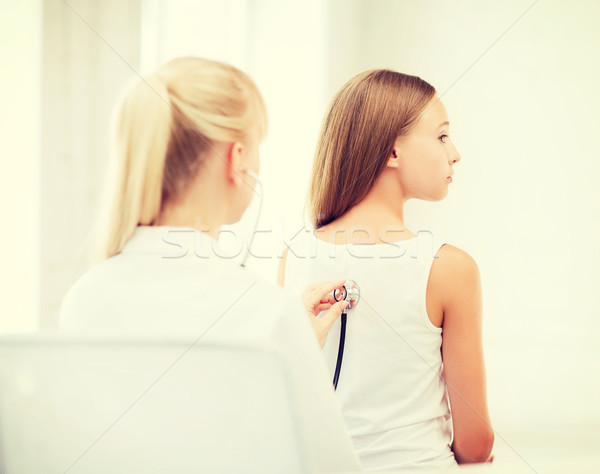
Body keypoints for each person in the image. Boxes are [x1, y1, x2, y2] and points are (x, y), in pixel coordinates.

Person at [58, 56, 359, 472]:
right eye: (259, 146)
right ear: (237, 160)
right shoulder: (267, 311)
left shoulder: (83, 297)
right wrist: (291, 346)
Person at [278, 69, 494, 471]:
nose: (455, 153)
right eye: (442, 136)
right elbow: (476, 444)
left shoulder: (293, 256)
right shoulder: (448, 268)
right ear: (392, 152)